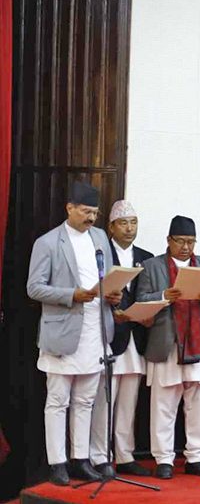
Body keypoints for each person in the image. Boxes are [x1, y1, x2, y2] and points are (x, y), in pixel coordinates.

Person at [28, 182, 120, 486]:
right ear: (69, 208)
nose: (91, 218)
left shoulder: (100, 237)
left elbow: (106, 277)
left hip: (96, 329)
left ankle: (81, 459)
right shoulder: (48, 242)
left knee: (86, 400)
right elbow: (34, 288)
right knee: (58, 401)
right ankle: (57, 463)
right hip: (63, 332)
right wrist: (72, 295)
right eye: (86, 211)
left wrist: (113, 294)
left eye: (95, 212)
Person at [136, 215, 200, 479]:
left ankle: (196, 457)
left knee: (198, 404)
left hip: (199, 342)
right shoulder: (152, 266)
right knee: (163, 404)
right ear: (169, 240)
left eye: (191, 241)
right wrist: (164, 296)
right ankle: (164, 459)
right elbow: (141, 299)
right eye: (181, 241)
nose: (186, 247)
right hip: (168, 342)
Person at [89, 200, 154, 478]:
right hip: (110, 336)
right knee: (105, 400)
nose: (129, 228)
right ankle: (99, 456)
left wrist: (149, 314)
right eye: (124, 223)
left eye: (134, 222)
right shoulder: (100, 255)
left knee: (129, 400)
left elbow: (148, 294)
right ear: (111, 227)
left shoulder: (146, 257)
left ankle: (125, 455)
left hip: (136, 336)